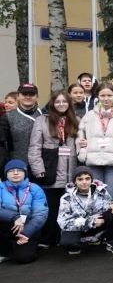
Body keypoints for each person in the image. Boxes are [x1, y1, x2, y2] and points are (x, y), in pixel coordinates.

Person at [28, 90, 79, 246]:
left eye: (64, 101)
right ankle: (48, 238)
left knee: (68, 209)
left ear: (69, 103)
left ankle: (66, 239)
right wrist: (38, 170)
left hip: (71, 172)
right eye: (58, 101)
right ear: (52, 103)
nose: (61, 104)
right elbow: (34, 147)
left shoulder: (76, 120)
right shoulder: (42, 120)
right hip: (50, 170)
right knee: (51, 208)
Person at [76, 83, 113, 202]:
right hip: (93, 162)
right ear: (97, 96)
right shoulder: (89, 116)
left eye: (109, 95)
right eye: (102, 95)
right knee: (95, 197)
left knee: (112, 198)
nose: (106, 98)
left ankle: (112, 215)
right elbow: (79, 136)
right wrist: (83, 153)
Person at [57, 166, 113, 255]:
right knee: (68, 243)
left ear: (91, 180)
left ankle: (112, 241)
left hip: (98, 224)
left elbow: (107, 206)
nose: (84, 182)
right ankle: (82, 242)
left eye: (87, 178)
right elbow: (63, 221)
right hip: (79, 227)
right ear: (74, 181)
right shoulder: (66, 198)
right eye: (80, 179)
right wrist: (90, 222)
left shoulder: (101, 191)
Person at [0, 159, 48, 263]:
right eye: (11, 171)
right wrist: (15, 217)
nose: (15, 173)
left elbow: (40, 214)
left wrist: (26, 233)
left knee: (23, 257)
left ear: (25, 173)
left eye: (19, 170)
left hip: (27, 227)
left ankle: (21, 248)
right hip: (5, 226)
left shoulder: (35, 189)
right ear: (6, 174)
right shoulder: (1, 187)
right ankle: (5, 250)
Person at [0, 82, 43, 170]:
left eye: (31, 94)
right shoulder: (7, 118)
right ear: (18, 96)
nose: (28, 97)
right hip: (17, 167)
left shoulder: (44, 115)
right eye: (24, 94)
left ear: (37, 97)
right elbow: (2, 145)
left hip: (41, 165)